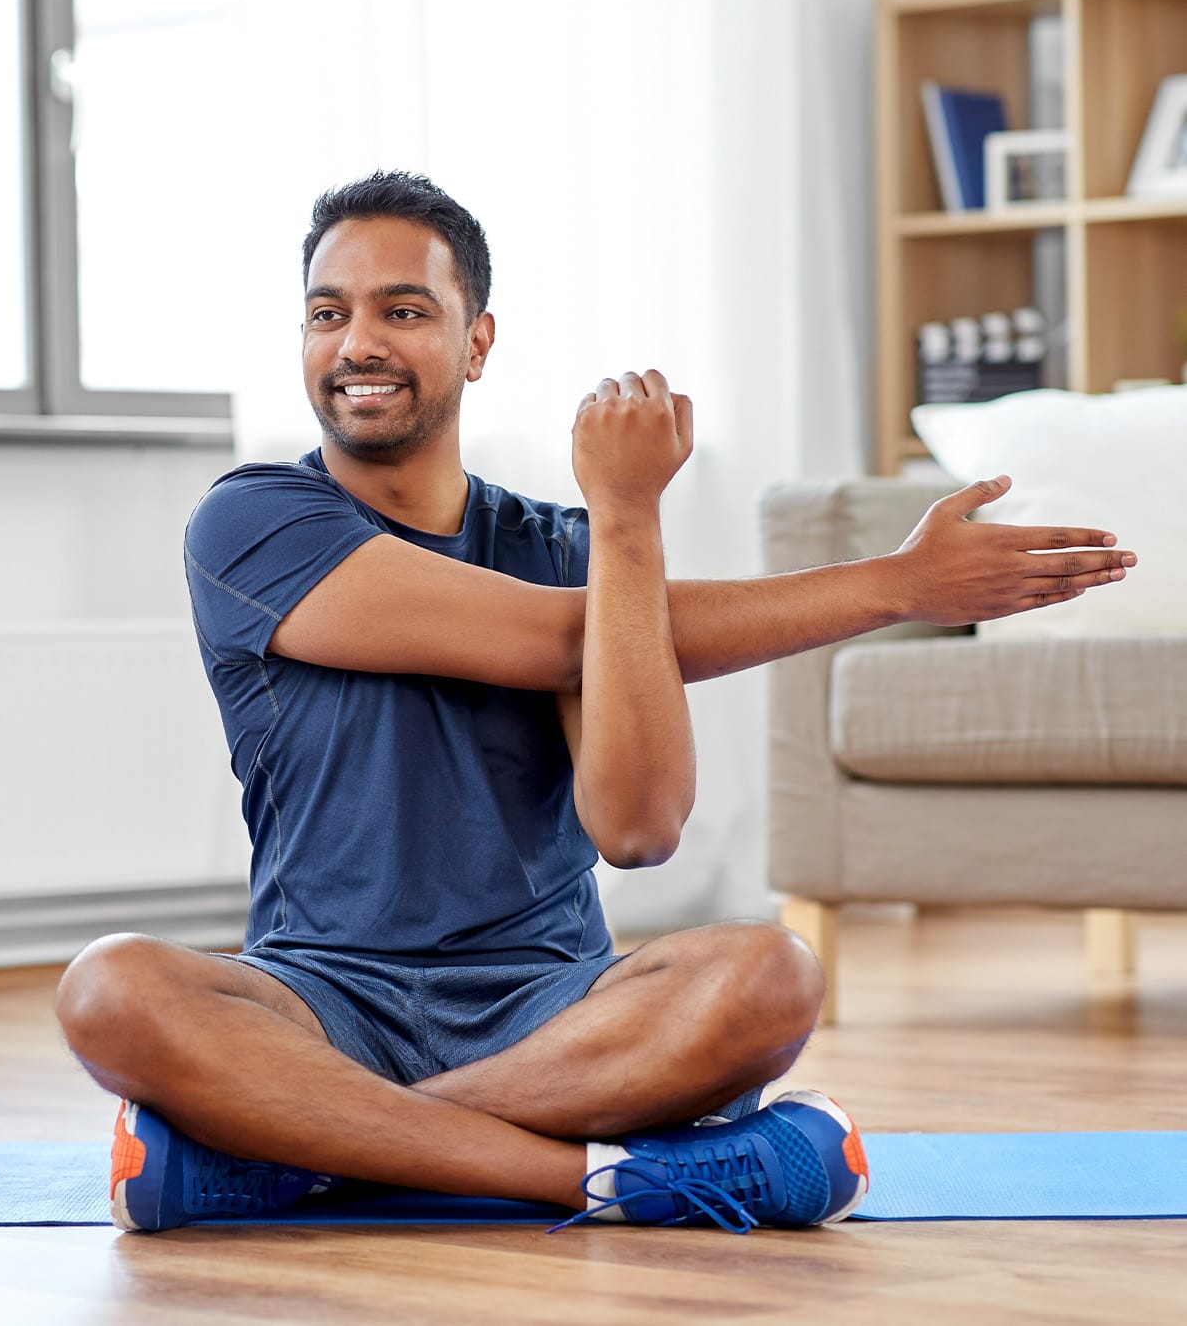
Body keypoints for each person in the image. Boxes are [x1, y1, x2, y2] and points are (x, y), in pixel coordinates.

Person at [55, 171, 1134, 1234]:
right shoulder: (250, 522)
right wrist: (891, 586)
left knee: (768, 976)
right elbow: (542, 634)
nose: (358, 344)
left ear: (476, 342)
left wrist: (622, 520)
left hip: (550, 1008)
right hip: (318, 998)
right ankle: (603, 1177)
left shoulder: (570, 550)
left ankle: (299, 1154)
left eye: (404, 311)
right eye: (326, 314)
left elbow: (639, 828)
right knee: (109, 986)